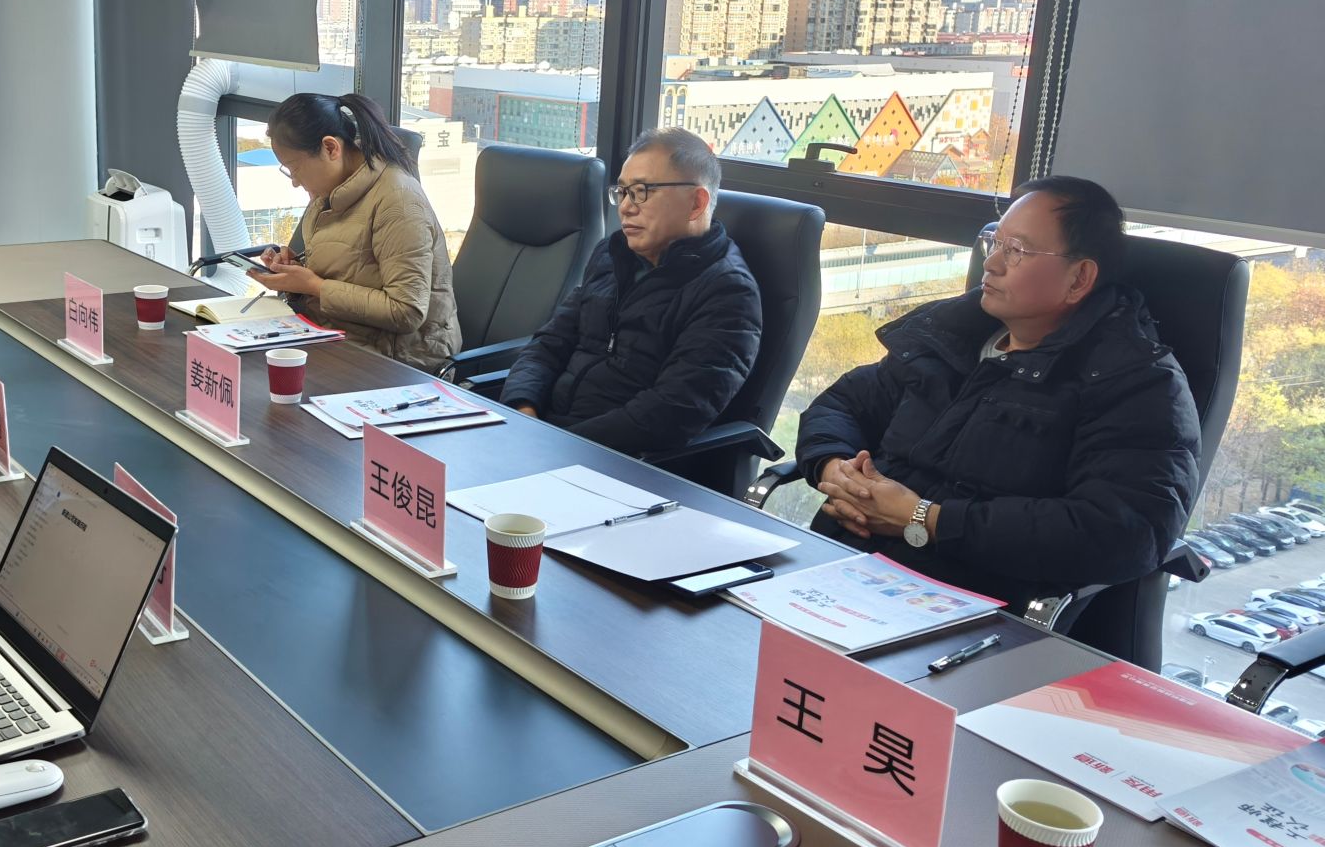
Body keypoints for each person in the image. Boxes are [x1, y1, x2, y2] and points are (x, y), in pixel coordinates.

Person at [796, 176, 1200, 658]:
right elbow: (843, 403)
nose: (991, 263)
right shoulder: (952, 336)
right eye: (995, 241)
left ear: (1079, 278)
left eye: (1017, 251)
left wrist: (926, 518)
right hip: (843, 571)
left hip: (973, 616)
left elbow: (1123, 531)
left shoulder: (1135, 382)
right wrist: (836, 469)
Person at [502, 127, 761, 455]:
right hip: (545, 436)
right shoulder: (612, 256)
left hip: (615, 460)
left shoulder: (728, 293)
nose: (625, 207)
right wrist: (523, 410)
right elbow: (547, 345)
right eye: (622, 192)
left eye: (641, 191)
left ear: (696, 203)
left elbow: (668, 414)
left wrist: (555, 445)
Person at [247, 92, 462, 371]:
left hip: (397, 360)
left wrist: (314, 286)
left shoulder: (399, 201)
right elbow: (349, 268)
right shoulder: (330, 191)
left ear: (330, 148)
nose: (295, 182)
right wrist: (296, 271)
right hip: (333, 335)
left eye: (295, 168)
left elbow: (407, 311)